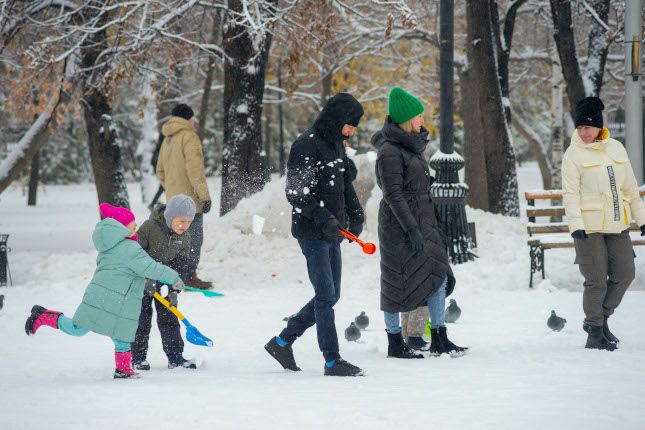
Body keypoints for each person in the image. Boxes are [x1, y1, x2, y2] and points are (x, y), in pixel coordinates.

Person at [264, 93, 366, 377]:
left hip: (333, 232)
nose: (352, 131)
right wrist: (324, 218)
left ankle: (282, 341)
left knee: (331, 296)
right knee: (325, 295)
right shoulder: (305, 146)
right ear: (336, 119)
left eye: (354, 126)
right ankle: (332, 360)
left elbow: (345, 187)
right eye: (350, 124)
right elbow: (296, 192)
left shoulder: (336, 146)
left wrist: (356, 216)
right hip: (312, 232)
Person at [25, 203, 184, 379]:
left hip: (110, 297)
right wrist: (174, 278)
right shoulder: (130, 248)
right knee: (79, 329)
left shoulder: (110, 247)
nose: (136, 225)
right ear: (121, 227)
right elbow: (151, 268)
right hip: (107, 298)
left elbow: (128, 269)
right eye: (132, 222)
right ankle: (43, 315)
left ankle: (123, 369)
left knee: (120, 333)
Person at [373, 87, 466, 358]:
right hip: (399, 225)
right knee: (395, 282)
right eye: (419, 115)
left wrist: (426, 185)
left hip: (424, 218)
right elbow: (392, 193)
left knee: (437, 275)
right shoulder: (389, 151)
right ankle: (394, 342)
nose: (423, 120)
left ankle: (439, 336)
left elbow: (410, 181)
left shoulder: (413, 146)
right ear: (406, 119)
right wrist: (410, 228)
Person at [562, 96, 645, 351]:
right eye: (579, 128)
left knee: (625, 274)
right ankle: (594, 332)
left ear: (599, 126)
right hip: (588, 228)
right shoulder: (573, 155)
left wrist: (641, 219)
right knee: (596, 280)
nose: (583, 132)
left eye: (587, 127)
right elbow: (570, 193)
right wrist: (576, 224)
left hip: (617, 224)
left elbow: (630, 188)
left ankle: (601, 319)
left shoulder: (617, 149)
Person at [132, 194, 198, 370]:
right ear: (170, 217)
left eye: (189, 222)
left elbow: (182, 264)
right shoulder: (150, 228)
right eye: (181, 221)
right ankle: (137, 357)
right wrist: (146, 276)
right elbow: (135, 253)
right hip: (143, 280)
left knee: (169, 317)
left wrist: (174, 289)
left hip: (165, 281)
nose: (185, 226)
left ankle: (175, 357)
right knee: (141, 319)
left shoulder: (184, 237)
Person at [157, 103, 212, 290]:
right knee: (194, 238)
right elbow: (195, 171)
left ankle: (176, 274)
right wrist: (204, 196)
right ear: (189, 118)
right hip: (190, 201)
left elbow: (160, 171)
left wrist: (172, 190)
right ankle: (188, 276)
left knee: (177, 237)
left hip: (173, 200)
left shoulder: (167, 139)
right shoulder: (189, 137)